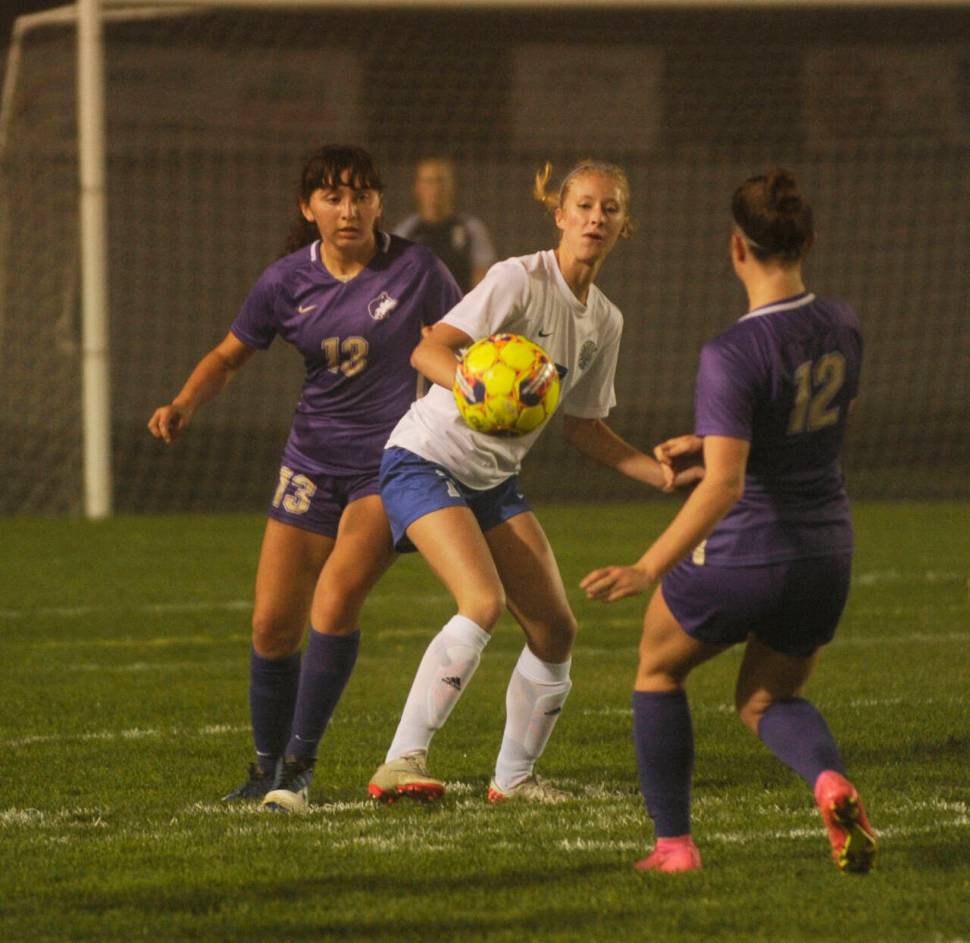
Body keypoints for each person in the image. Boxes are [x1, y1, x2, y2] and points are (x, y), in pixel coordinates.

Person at [148, 144, 461, 812]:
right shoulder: (286, 280)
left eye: (362, 195)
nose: (348, 210)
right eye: (332, 196)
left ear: (380, 201)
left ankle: (299, 765)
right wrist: (182, 403)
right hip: (309, 466)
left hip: (390, 464)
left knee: (335, 601)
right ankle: (265, 768)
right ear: (307, 206)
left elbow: (464, 340)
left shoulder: (418, 269)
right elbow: (229, 356)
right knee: (270, 626)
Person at [581, 169, 877, 874]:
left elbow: (724, 486)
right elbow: (823, 426)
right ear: (808, 240)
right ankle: (830, 781)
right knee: (768, 697)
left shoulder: (731, 351)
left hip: (746, 551)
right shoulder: (844, 322)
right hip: (826, 553)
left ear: (735, 248)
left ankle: (674, 845)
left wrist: (647, 565)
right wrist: (712, 437)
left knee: (657, 669)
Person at [368, 159, 687, 805]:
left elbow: (584, 427)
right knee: (480, 602)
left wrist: (660, 475)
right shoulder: (519, 276)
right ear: (561, 214)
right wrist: (480, 385)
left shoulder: (605, 321)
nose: (597, 217)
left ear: (624, 225)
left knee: (554, 627)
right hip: (424, 456)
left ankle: (512, 781)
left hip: (492, 480)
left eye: (612, 208)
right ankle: (400, 762)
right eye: (586, 206)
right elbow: (428, 348)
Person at [393, 155, 496, 291]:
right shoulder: (405, 232)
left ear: (452, 185)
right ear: (417, 187)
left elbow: (483, 282)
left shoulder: (471, 229)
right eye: (428, 181)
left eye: (440, 181)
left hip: (462, 309)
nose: (435, 188)